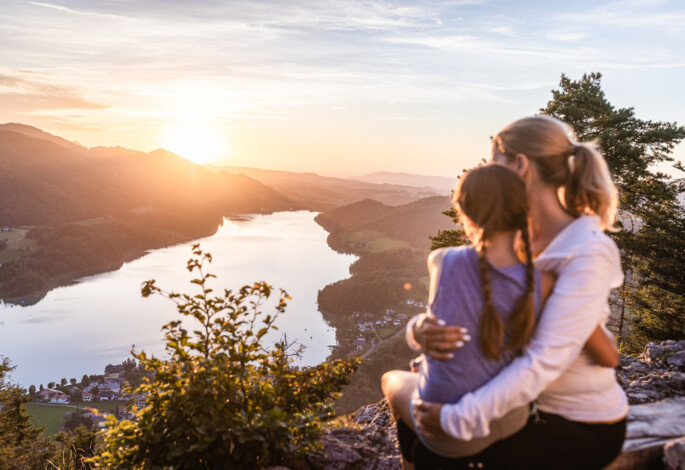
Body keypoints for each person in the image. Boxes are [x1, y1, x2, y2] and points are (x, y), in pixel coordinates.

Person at [392, 115, 628, 469]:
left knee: (430, 447)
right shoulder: (514, 240)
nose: (487, 172)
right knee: (415, 418)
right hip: (515, 406)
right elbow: (474, 303)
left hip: (576, 420)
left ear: (519, 166)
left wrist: (454, 419)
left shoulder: (587, 249)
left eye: (493, 163)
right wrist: (423, 329)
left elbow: (543, 361)